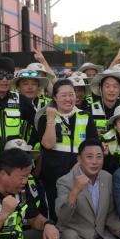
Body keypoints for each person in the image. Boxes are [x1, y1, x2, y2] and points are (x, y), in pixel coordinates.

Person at [37, 79, 99, 222]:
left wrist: (82, 163)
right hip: (54, 174)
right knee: (56, 211)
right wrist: (51, 120)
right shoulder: (45, 118)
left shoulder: (85, 116)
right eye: (63, 95)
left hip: (80, 172)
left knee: (79, 209)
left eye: (71, 94)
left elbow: (93, 144)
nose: (68, 99)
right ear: (55, 97)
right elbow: (47, 144)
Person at [0, 57, 36, 158]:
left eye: (9, 76)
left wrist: (29, 145)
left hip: (14, 161)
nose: (5, 80)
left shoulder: (21, 100)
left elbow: (39, 124)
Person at [87, 68, 120, 136]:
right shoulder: (90, 110)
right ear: (100, 89)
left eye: (115, 86)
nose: (111, 90)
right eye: (107, 86)